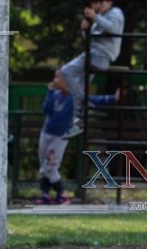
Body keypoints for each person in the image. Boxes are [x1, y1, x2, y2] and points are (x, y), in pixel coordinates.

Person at [37, 69, 120, 205]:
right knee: (43, 167)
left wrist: (112, 98)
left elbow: (93, 100)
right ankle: (45, 195)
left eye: (59, 78)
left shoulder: (75, 96)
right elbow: (46, 109)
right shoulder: (55, 94)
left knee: (50, 166)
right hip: (46, 132)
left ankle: (62, 194)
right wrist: (50, 92)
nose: (55, 80)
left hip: (60, 136)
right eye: (55, 77)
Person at [60, 0, 124, 139]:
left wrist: (95, 17)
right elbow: (91, 39)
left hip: (99, 55)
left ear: (107, 2)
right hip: (93, 53)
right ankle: (77, 123)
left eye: (97, 3)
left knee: (66, 71)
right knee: (80, 86)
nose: (94, 7)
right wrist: (85, 29)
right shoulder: (100, 17)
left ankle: (86, 102)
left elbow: (113, 28)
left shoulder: (115, 13)